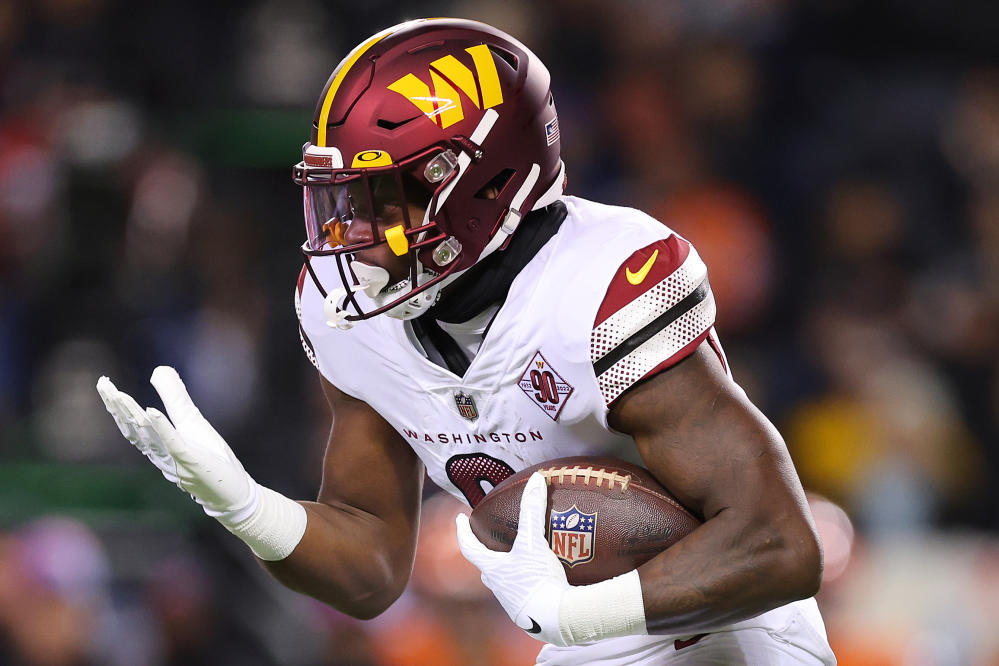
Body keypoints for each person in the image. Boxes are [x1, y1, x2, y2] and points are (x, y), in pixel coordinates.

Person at [96, 17, 836, 665]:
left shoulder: (602, 281)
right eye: (345, 198)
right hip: (583, 647)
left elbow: (778, 544)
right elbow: (370, 567)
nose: (354, 235)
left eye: (385, 197)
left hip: (728, 636)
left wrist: (578, 614)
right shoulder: (343, 309)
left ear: (482, 181)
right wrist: (246, 507)